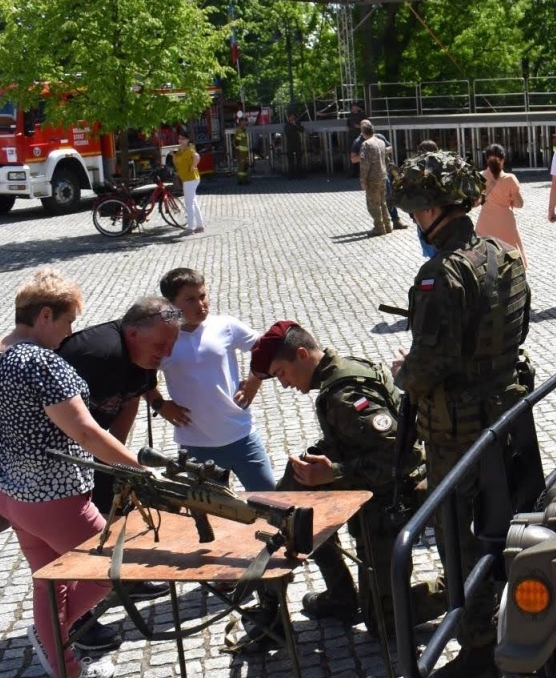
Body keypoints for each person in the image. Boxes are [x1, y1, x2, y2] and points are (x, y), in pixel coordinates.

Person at [390, 148, 538, 678]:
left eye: (414, 212)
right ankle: (524, 615)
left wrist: (405, 375)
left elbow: (430, 366)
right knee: (511, 526)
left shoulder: (441, 274)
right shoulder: (503, 255)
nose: (413, 222)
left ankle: (477, 656)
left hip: (457, 431)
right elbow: (515, 330)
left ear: (431, 210)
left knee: (459, 540)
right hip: (507, 414)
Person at [0, 268, 143, 678]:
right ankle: (55, 642)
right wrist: (139, 468)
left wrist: (11, 424)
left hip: (10, 494)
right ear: (45, 315)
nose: (69, 332)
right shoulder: (43, 363)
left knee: (50, 579)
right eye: (67, 321)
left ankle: (66, 671)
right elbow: (87, 432)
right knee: (114, 570)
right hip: (55, 497)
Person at [248, 321, 425, 634]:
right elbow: (354, 439)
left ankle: (472, 591)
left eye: (281, 374)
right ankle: (340, 595)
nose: (285, 384)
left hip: (394, 499)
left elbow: (401, 459)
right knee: (292, 500)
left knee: (383, 623)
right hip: (377, 486)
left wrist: (334, 473)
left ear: (301, 354)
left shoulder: (344, 394)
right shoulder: (344, 370)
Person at [55, 295, 183, 639]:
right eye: (161, 344)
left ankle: (124, 579)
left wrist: (117, 462)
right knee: (80, 541)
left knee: (119, 513)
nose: (166, 353)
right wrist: (118, 464)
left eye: (171, 344)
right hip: (59, 463)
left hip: (94, 453)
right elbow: (77, 426)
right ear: (133, 333)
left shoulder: (144, 355)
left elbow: (130, 397)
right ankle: (75, 625)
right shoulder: (97, 356)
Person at [155, 268, 272, 491]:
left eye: (203, 296)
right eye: (190, 300)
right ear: (171, 304)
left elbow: (266, 348)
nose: (201, 305)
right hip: (196, 446)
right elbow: (140, 373)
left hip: (242, 436)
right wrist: (159, 404)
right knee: (213, 514)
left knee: (271, 499)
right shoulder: (164, 338)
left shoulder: (225, 325)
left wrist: (253, 383)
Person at [475, 144, 525, 259]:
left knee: (485, 257)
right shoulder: (509, 178)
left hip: (485, 222)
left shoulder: (480, 177)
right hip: (505, 222)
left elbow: (476, 202)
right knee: (509, 256)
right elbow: (519, 204)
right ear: (503, 159)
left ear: (486, 159)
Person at [357, 120, 392, 236]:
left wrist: (362, 180)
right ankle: (388, 225)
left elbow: (364, 165)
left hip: (373, 177)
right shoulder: (381, 142)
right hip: (383, 175)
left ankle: (379, 227)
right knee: (383, 202)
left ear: (363, 132)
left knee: (373, 204)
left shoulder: (366, 144)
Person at [171, 130, 205, 235]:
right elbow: (178, 161)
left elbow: (197, 157)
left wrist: (193, 166)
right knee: (193, 202)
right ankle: (199, 226)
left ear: (187, 140)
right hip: (188, 179)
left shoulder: (189, 150)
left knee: (189, 204)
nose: (181, 140)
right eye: (180, 138)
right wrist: (173, 155)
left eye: (183, 139)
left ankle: (190, 228)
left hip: (190, 179)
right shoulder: (181, 150)